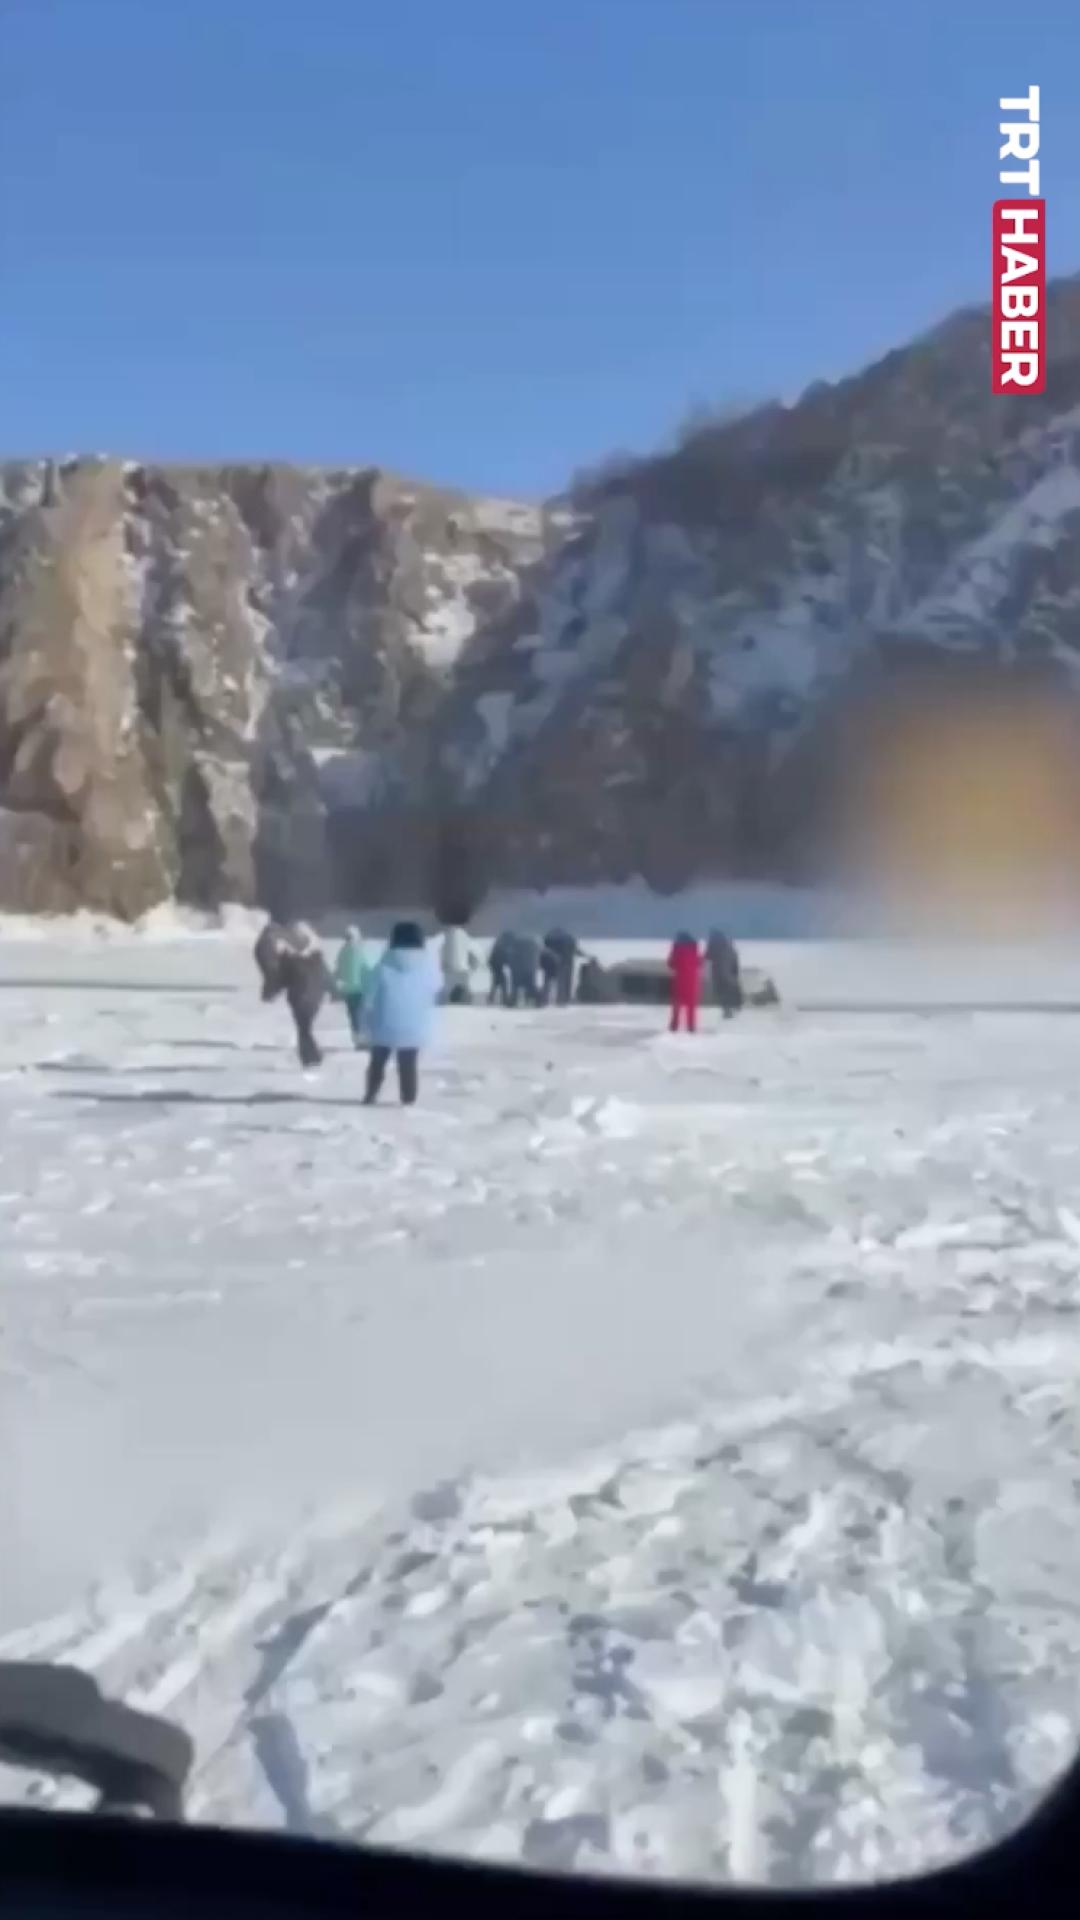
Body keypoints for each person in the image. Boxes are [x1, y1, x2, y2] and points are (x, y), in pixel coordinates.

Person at [364, 921, 440, 1107]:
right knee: (408, 1063)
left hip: (384, 1023)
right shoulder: (427, 965)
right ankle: (408, 1098)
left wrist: (363, 1021)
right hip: (414, 1024)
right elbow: (436, 987)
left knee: (378, 1061)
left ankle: (371, 1093)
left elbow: (369, 995)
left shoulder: (383, 965)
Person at [278, 922, 333, 1068]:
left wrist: (334, 991)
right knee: (303, 1028)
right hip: (300, 998)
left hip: (309, 998)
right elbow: (282, 978)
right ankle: (310, 1056)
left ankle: (311, 1056)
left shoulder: (313, 957)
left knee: (304, 1028)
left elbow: (326, 976)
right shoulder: (292, 958)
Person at [334, 926, 371, 1047]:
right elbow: (365, 968)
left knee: (353, 1015)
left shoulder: (342, 952)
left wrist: (335, 983)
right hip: (360, 988)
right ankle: (362, 1040)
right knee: (361, 1015)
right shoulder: (359, 951)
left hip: (348, 990)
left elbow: (338, 970)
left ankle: (357, 1039)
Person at [667, 930, 702, 1035]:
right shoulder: (694, 948)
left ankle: (674, 1026)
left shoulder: (677, 948)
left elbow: (671, 963)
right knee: (691, 1005)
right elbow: (699, 962)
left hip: (680, 979)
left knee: (676, 1003)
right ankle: (691, 1027)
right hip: (692, 979)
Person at [439, 922, 482, 1005]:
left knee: (453, 992)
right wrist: (473, 968)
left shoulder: (447, 940)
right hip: (461, 971)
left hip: (451, 972)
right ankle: (462, 1001)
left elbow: (442, 955)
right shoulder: (465, 939)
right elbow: (474, 957)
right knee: (462, 990)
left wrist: (443, 967)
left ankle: (458, 1001)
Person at [706, 927, 743, 1020]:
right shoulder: (729, 945)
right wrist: (735, 971)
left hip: (718, 971)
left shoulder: (713, 944)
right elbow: (734, 959)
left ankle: (727, 1010)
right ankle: (735, 1006)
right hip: (729, 971)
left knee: (721, 991)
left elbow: (708, 956)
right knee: (729, 989)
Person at [543, 927, 582, 1007]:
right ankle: (562, 999)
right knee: (563, 982)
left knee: (548, 982)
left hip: (550, 962)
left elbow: (545, 948)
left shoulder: (550, 939)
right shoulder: (569, 940)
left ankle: (545, 999)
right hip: (564, 962)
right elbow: (576, 950)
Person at [508, 932, 542, 1008]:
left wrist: (511, 966)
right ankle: (538, 1000)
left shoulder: (515, 946)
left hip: (518, 970)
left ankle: (512, 1001)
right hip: (530, 969)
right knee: (531, 986)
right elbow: (537, 957)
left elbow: (512, 959)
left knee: (515, 986)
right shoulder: (533, 945)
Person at [488, 930, 516, 1006]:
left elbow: (500, 958)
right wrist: (510, 963)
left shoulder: (499, 944)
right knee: (502, 982)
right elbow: (504, 958)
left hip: (496, 966)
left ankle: (492, 998)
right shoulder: (501, 946)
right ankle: (503, 999)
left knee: (496, 982)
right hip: (497, 966)